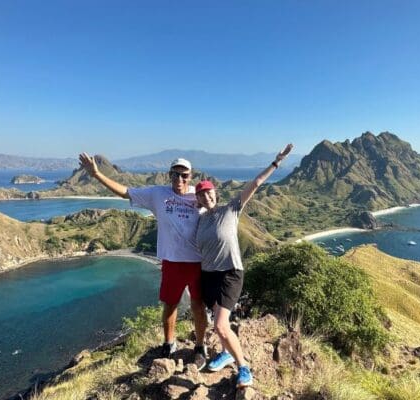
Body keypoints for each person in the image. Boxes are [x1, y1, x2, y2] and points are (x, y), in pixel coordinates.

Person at [78, 153, 208, 367]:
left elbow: (220, 211)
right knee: (170, 305)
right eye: (175, 174)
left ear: (191, 176)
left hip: (197, 262)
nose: (179, 179)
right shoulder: (157, 194)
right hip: (171, 262)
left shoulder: (199, 195)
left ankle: (200, 346)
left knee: (198, 305)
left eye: (184, 175)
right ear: (169, 175)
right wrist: (97, 174)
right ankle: (168, 344)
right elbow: (125, 192)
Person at [194, 144, 293, 388]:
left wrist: (276, 162)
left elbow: (256, 184)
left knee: (219, 325)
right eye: (202, 194)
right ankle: (226, 354)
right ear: (197, 198)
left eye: (209, 193)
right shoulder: (200, 219)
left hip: (230, 274)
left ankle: (243, 367)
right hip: (208, 276)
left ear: (215, 193)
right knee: (221, 326)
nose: (207, 197)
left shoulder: (231, 209)